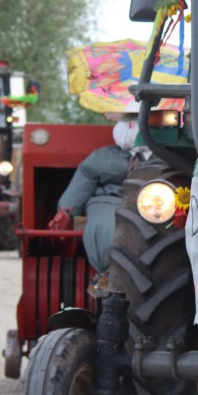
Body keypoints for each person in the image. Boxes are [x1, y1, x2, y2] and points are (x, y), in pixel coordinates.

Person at [49, 117, 151, 276]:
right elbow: (85, 179)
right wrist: (67, 210)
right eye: (128, 122)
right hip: (109, 199)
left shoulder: (166, 158)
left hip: (153, 201)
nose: (131, 127)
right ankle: (109, 273)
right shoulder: (103, 157)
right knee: (106, 225)